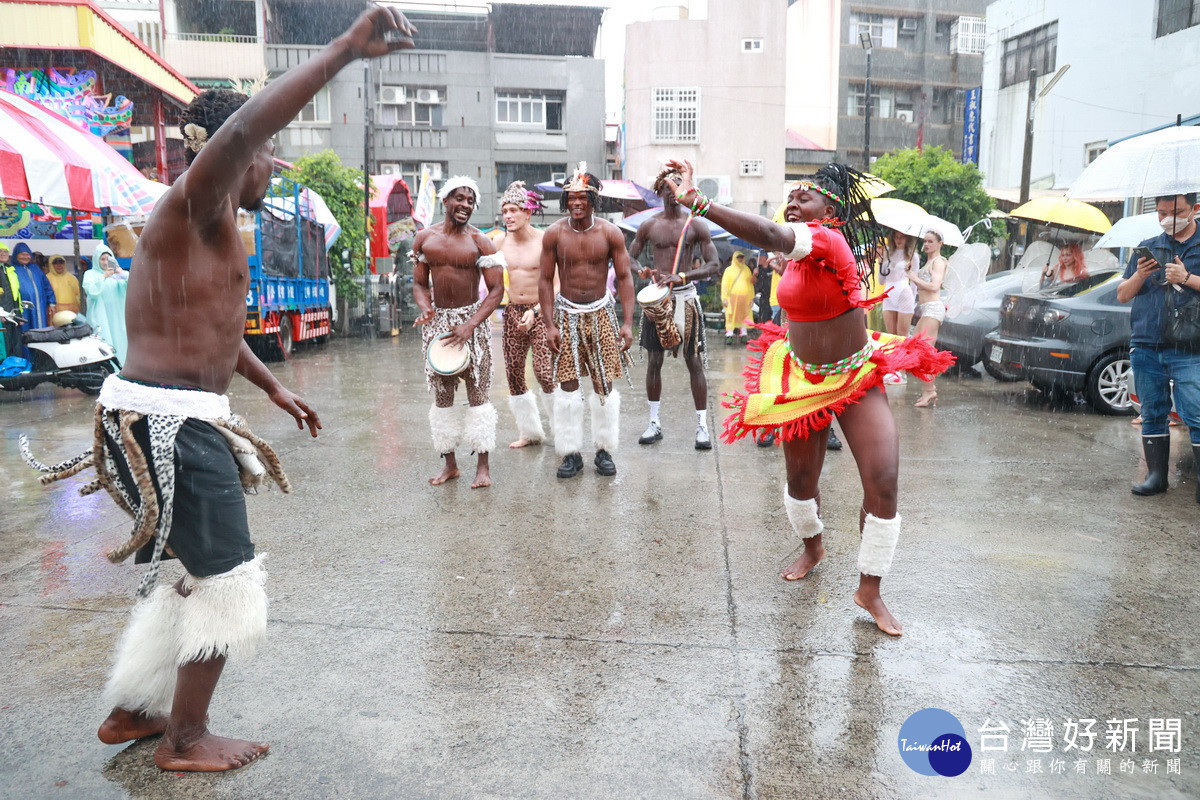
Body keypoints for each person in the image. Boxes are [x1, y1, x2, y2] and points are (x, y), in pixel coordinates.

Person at [20, 6, 412, 772]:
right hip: (170, 426)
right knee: (230, 581)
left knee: (197, 574)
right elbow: (238, 137)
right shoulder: (198, 203)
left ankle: (135, 711)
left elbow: (214, 335)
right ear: (240, 154)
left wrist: (272, 388)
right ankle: (186, 739)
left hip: (172, 415)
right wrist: (341, 51)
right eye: (269, 153)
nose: (272, 168)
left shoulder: (215, 224)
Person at [664, 158, 953, 636]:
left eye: (806, 197)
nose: (794, 203)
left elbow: (774, 236)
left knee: (883, 477)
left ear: (832, 211)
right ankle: (814, 547)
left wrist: (700, 203)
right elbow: (781, 249)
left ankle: (870, 588)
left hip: (854, 375)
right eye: (790, 198)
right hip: (802, 376)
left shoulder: (828, 238)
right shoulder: (799, 252)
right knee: (801, 482)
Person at [539, 163, 635, 479]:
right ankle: (570, 453)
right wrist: (550, 324)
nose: (576, 203)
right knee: (567, 385)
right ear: (565, 201)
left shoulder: (610, 233)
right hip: (566, 315)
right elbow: (544, 279)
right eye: (571, 198)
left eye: (582, 198)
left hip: (601, 314)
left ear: (594, 200)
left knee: (603, 382)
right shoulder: (554, 234)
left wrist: (627, 322)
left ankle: (604, 451)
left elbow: (624, 277)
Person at [413, 176, 505, 488]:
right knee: (442, 396)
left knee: (478, 393)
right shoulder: (425, 239)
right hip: (438, 323)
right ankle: (450, 465)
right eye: (459, 198)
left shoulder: (481, 242)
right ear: (446, 201)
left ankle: (483, 467)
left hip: (472, 321)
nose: (465, 204)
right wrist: (425, 306)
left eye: (470, 200)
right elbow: (418, 282)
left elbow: (496, 291)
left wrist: (469, 325)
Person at [1116, 192, 1200, 503]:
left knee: (1196, 413)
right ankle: (1156, 477)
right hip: (1147, 344)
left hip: (1190, 346)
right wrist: (1140, 274)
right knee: (1152, 411)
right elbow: (1123, 295)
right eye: (1162, 212)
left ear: (1194, 209)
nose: (1168, 218)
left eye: (1176, 211)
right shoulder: (1150, 246)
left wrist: (1187, 277)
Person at [629, 166, 720, 450]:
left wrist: (682, 276)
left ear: (684, 191)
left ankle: (702, 426)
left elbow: (713, 265)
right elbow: (627, 258)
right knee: (654, 362)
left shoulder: (695, 224)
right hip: (658, 301)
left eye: (677, 187)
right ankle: (654, 423)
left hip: (685, 299)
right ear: (659, 192)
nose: (672, 193)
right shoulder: (649, 225)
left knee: (694, 363)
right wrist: (642, 270)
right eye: (667, 188)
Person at [495, 180, 556, 449]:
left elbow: (557, 283)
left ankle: (562, 430)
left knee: (544, 372)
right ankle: (530, 433)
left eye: (514, 210)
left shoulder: (545, 241)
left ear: (527, 213)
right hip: (512, 313)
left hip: (542, 311)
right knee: (514, 373)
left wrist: (538, 311)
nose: (508, 215)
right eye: (505, 210)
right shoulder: (497, 242)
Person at [908, 231, 949, 407]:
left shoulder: (939, 261)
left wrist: (914, 278)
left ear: (940, 243)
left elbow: (934, 286)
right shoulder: (929, 261)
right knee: (917, 349)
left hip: (933, 309)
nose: (926, 244)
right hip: (926, 309)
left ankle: (929, 391)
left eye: (930, 241)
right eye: (924, 241)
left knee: (925, 352)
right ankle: (928, 390)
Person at [879, 231, 919, 383]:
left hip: (904, 292)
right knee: (891, 335)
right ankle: (892, 369)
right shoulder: (887, 253)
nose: (899, 240)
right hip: (889, 292)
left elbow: (914, 281)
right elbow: (881, 280)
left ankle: (901, 371)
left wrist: (913, 301)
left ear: (907, 238)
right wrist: (882, 262)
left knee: (902, 335)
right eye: (896, 237)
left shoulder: (913, 256)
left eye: (902, 237)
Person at [82, 244, 129, 364]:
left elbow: (131, 284)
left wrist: (121, 272)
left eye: (108, 259)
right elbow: (92, 291)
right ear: (96, 260)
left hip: (117, 316)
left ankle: (122, 366)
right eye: (102, 259)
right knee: (104, 341)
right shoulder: (90, 274)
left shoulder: (117, 275)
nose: (105, 262)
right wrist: (104, 276)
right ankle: (106, 368)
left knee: (120, 339)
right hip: (100, 316)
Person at [10, 242, 56, 331]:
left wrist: (52, 303)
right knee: (24, 330)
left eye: (27, 254)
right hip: (22, 308)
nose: (25, 257)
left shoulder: (35, 269)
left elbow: (47, 286)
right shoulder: (12, 269)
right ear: (16, 255)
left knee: (41, 328)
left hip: (40, 305)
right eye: (22, 254)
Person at [721, 251, 754, 344]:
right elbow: (725, 285)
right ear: (734, 258)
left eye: (742, 257)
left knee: (744, 316)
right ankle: (729, 335)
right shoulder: (729, 270)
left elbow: (750, 285)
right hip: (732, 298)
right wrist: (724, 298)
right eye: (738, 257)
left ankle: (743, 335)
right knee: (731, 316)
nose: (740, 259)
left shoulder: (747, 269)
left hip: (745, 298)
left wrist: (751, 298)